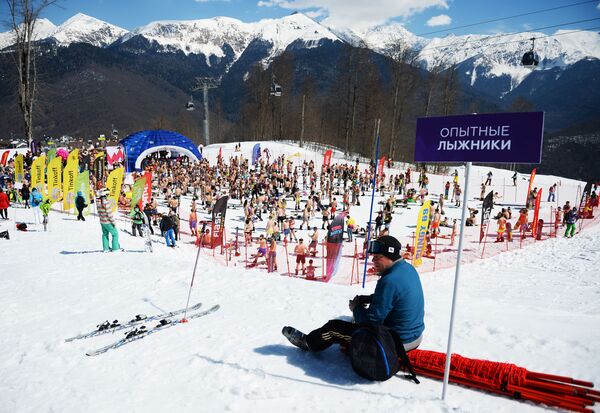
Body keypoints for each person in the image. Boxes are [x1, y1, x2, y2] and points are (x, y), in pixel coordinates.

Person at [282, 235, 424, 353]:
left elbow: (371, 321)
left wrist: (356, 308)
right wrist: (368, 299)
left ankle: (308, 343)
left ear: (390, 255)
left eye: (377, 257)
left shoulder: (389, 281)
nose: (373, 260)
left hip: (398, 342)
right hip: (414, 336)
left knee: (333, 328)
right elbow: (396, 298)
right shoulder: (407, 269)